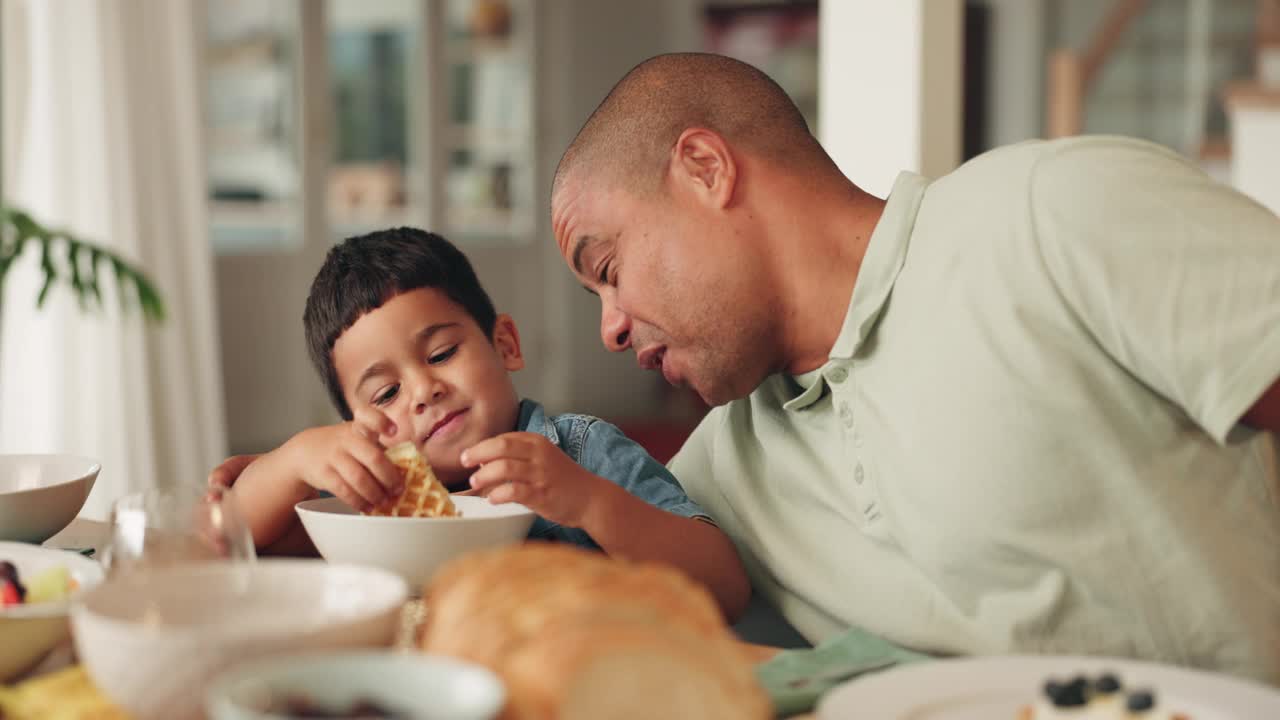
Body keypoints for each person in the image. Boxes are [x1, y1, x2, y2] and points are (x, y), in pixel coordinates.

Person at [548, 52, 1280, 682]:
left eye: (608, 267)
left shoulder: (1045, 212)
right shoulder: (722, 474)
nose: (610, 327)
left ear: (705, 168)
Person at [214, 227, 750, 620]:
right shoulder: (378, 501)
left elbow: (724, 585)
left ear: (505, 345)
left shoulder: (583, 453)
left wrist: (586, 500)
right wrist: (291, 460)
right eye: (387, 393)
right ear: (358, 423)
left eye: (443, 352)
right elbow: (217, 547)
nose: (424, 392)